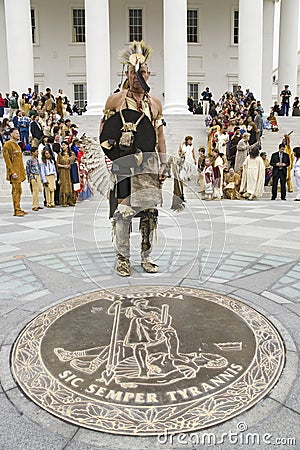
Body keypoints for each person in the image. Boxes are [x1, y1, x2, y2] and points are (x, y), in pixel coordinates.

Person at [99, 40, 167, 277]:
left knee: (148, 212)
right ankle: (123, 259)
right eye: (133, 72)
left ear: (148, 74)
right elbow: (104, 134)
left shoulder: (155, 104)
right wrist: (112, 156)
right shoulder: (115, 100)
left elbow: (159, 135)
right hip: (124, 166)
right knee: (123, 212)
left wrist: (163, 164)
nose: (137, 76)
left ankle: (146, 257)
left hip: (148, 166)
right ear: (127, 73)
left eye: (142, 72)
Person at [3, 128, 27, 216]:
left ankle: (19, 207)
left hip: (20, 171)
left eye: (18, 133)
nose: (18, 134)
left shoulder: (17, 145)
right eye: (16, 133)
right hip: (14, 173)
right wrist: (12, 172)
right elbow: (7, 161)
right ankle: (16, 209)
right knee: (16, 190)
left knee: (19, 190)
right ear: (11, 134)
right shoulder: (7, 145)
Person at [57, 141, 77, 207]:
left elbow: (74, 161)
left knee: (70, 185)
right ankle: (64, 201)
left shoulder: (71, 154)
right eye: (62, 145)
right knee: (63, 186)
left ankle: (70, 200)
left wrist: (70, 165)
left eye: (64, 145)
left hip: (70, 172)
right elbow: (57, 164)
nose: (63, 146)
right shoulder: (60, 154)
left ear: (67, 146)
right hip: (62, 172)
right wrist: (63, 166)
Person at [26, 147, 43, 211]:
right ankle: (34, 205)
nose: (38, 153)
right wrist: (30, 178)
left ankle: (37, 204)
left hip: (37, 175)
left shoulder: (37, 160)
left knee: (37, 190)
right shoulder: (29, 160)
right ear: (33, 152)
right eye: (36, 151)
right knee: (35, 191)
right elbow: (28, 170)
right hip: (33, 176)